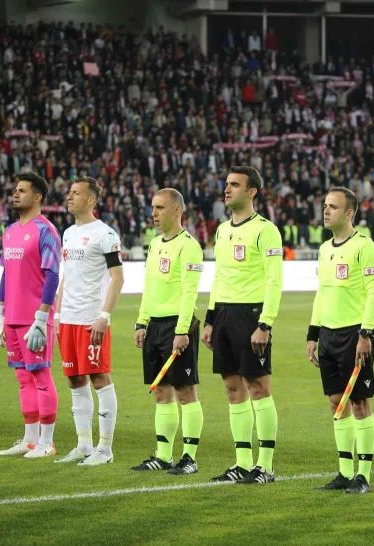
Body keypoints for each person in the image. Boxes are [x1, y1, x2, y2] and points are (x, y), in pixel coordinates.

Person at [201, 166, 283, 484]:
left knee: (258, 388)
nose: (227, 189)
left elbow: (274, 280)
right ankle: (242, 463)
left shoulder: (266, 230)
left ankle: (266, 466)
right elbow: (219, 276)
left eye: (234, 184)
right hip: (223, 314)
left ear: (251, 192)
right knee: (232, 389)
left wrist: (265, 324)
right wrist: (210, 319)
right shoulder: (222, 230)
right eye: (226, 184)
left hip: (251, 316)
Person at [306, 187, 374, 494]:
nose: (326, 211)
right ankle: (345, 472)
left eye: (333, 207)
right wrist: (313, 334)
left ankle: (363, 476)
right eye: (325, 205)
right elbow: (322, 293)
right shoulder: (325, 248)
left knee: (360, 402)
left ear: (349, 213)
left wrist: (366, 333)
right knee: (336, 402)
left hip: (355, 334)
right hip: (328, 334)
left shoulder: (364, 246)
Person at [132, 189, 204, 475]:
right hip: (155, 326)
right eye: (153, 207)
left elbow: (189, 291)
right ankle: (163, 456)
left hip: (178, 326)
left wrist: (182, 330)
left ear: (177, 210)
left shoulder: (189, 246)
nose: (154, 213)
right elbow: (149, 287)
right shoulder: (154, 244)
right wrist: (142, 322)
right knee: (161, 392)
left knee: (185, 392)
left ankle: (190, 458)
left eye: (160, 207)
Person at [54, 178, 124, 467]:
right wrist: (57, 315)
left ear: (91, 200)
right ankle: (83, 445)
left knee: (99, 378)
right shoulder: (68, 233)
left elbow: (118, 278)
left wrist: (104, 317)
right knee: (74, 380)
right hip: (68, 320)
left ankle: (105, 449)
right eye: (69, 192)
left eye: (76, 193)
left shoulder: (105, 234)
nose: (69, 197)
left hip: (90, 320)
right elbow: (66, 276)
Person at [0, 173, 62, 459]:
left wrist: (42, 317)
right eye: (15, 189)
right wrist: (0, 311)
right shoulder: (9, 231)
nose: (15, 194)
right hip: (12, 316)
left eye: (22, 190)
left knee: (41, 375)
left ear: (37, 197)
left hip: (35, 319)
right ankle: (30, 439)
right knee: (23, 377)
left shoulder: (46, 231)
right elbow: (6, 274)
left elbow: (52, 275)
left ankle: (48, 442)